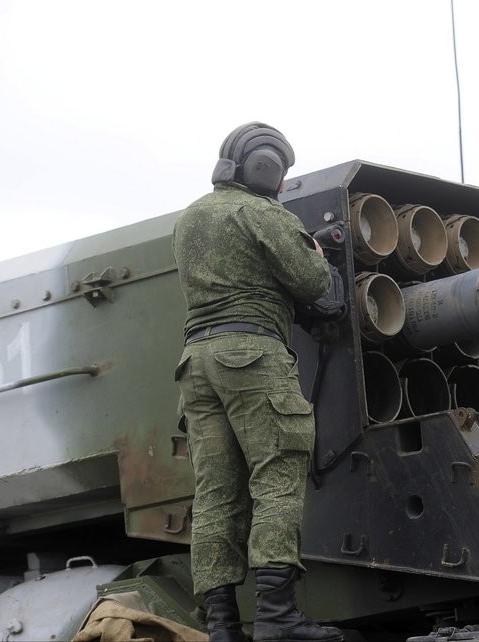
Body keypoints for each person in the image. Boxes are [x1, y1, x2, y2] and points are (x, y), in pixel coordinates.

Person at [173, 122, 343, 642]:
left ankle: (222, 625)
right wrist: (318, 254)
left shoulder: (191, 218)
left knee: (216, 493)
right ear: (266, 169)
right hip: (251, 353)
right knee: (276, 474)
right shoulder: (262, 212)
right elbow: (314, 283)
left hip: (196, 364)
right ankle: (276, 615)